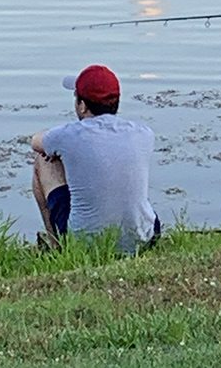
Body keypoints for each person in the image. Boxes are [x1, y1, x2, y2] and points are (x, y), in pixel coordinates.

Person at [31, 64, 160, 253]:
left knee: (43, 160)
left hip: (86, 242)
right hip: (145, 237)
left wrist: (57, 148)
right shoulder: (143, 133)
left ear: (82, 106)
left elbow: (35, 141)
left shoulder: (69, 135)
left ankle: (58, 248)